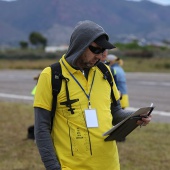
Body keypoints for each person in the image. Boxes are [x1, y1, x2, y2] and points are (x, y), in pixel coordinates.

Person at [33, 20, 152, 170]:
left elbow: (115, 112)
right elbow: (41, 128)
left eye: (103, 51)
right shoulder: (51, 76)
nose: (100, 56)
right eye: (96, 50)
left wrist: (136, 116)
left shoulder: (105, 72)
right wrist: (52, 167)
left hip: (109, 165)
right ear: (80, 45)